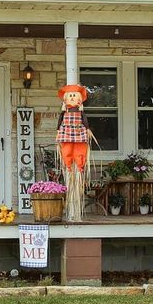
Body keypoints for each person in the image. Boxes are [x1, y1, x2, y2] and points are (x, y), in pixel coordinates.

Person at [56, 84, 92, 221]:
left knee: (79, 150)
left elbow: (84, 120)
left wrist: (87, 129)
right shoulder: (64, 112)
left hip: (78, 133)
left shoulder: (80, 112)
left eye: (74, 95)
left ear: (79, 100)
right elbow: (60, 121)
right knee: (66, 150)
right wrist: (58, 131)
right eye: (70, 95)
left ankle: (80, 165)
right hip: (66, 133)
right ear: (65, 99)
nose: (72, 97)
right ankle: (69, 165)